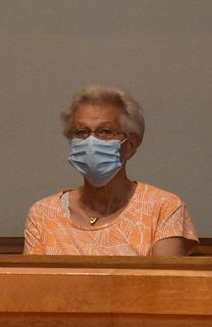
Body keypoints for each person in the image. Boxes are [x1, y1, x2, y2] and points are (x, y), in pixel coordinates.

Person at [24, 84, 197, 256]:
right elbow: (32, 275)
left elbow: (164, 274)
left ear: (132, 144)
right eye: (82, 132)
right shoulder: (43, 213)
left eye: (105, 131)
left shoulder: (163, 207)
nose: (91, 142)